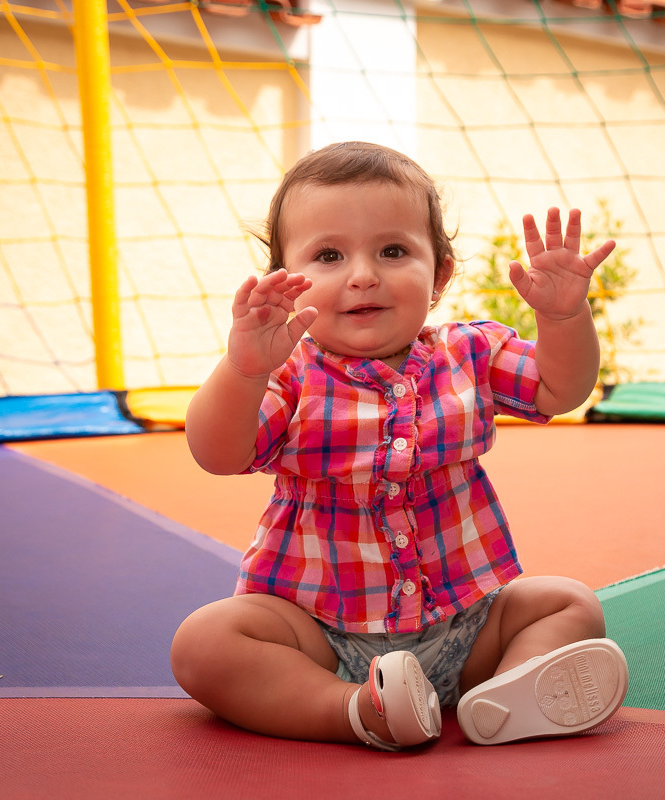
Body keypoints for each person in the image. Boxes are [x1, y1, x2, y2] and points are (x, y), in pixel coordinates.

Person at [171, 141, 628, 749]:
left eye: (393, 250)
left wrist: (565, 319)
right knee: (205, 643)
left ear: (438, 274)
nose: (363, 274)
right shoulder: (289, 376)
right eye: (329, 255)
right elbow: (217, 453)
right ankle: (353, 709)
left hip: (464, 626)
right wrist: (243, 370)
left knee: (570, 605)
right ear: (286, 281)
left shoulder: (470, 354)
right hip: (320, 633)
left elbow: (558, 389)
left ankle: (511, 691)